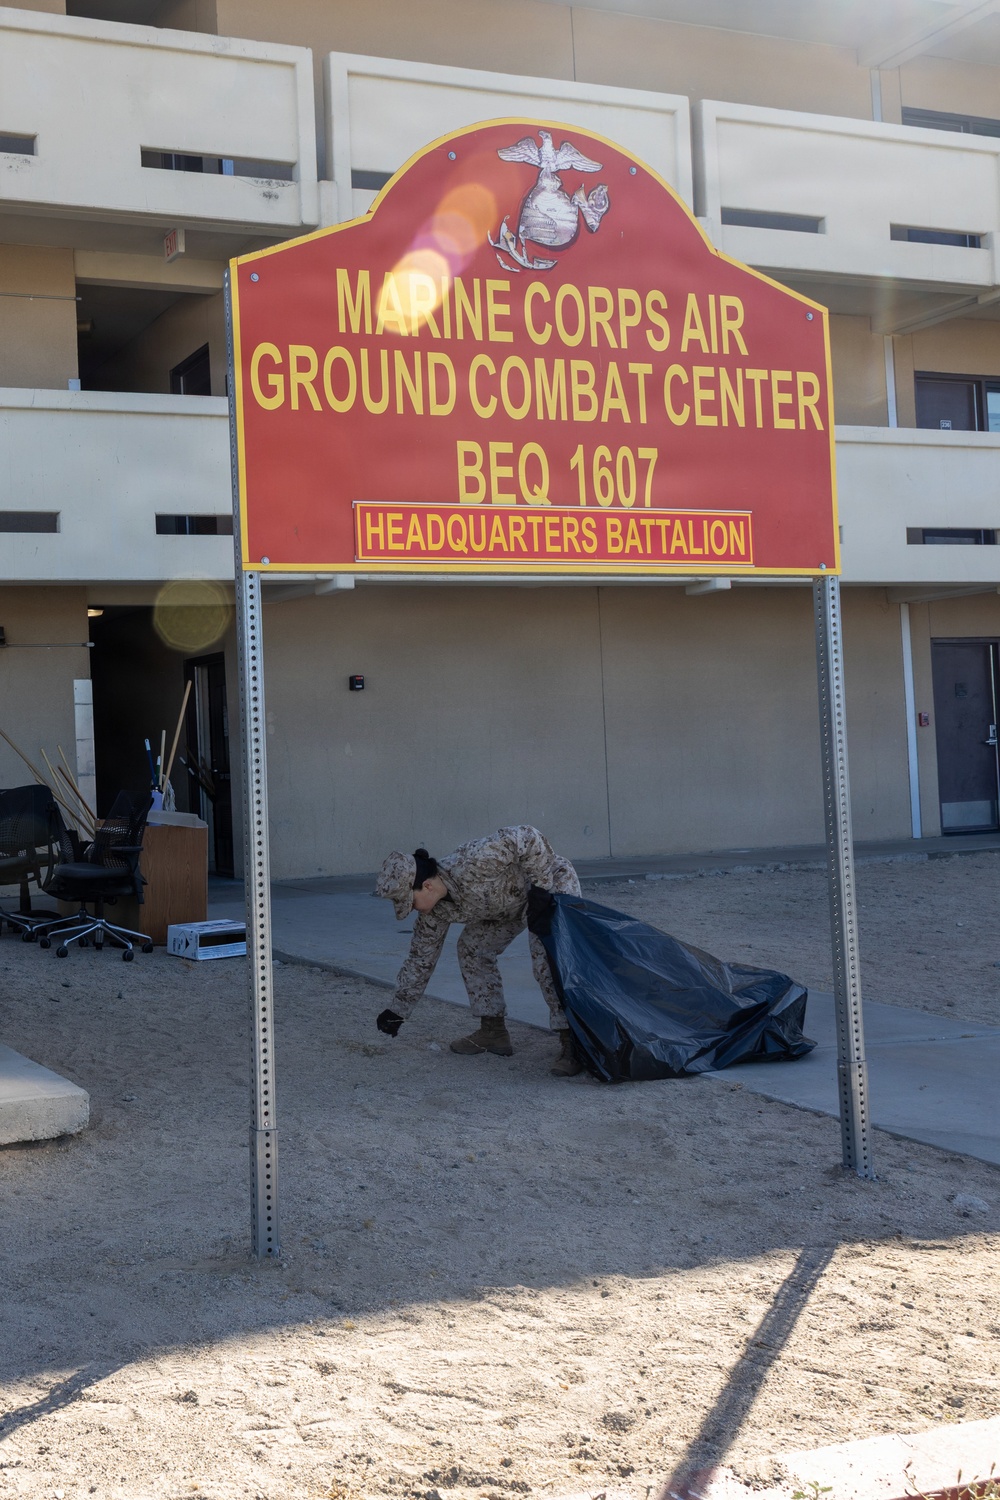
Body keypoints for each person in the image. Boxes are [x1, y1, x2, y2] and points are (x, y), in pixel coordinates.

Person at [373, 824, 583, 1077]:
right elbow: (420, 960)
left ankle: (572, 1041)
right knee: (473, 949)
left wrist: (541, 887)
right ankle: (493, 1031)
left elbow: (527, 836)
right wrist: (398, 1010)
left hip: (550, 885)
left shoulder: (471, 862)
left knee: (546, 958)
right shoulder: (434, 914)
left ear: (426, 886)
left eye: (410, 901)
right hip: (506, 906)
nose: (411, 909)